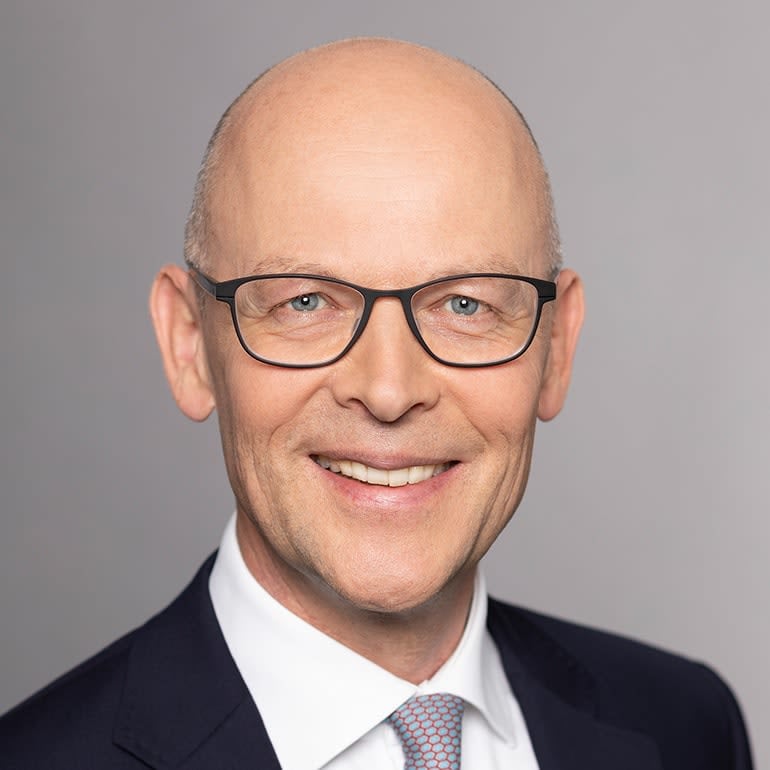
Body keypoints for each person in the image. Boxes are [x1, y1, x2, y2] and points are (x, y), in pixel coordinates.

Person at [0, 37, 753, 769]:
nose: (390, 391)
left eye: (464, 304)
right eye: (304, 301)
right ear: (189, 342)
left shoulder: (687, 728)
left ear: (555, 347)